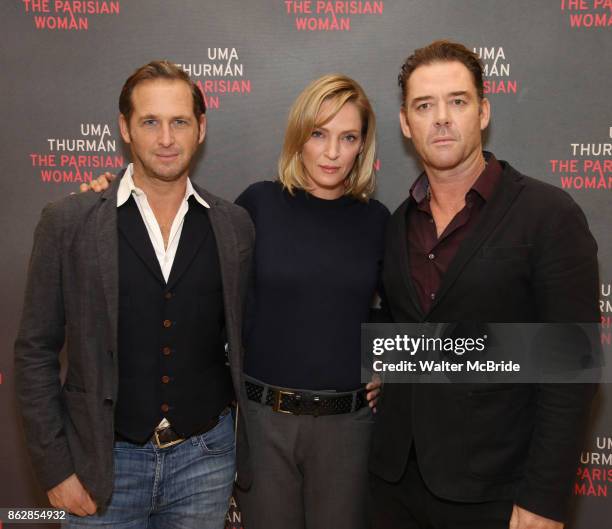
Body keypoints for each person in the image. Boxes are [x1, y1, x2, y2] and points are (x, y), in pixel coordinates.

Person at [369, 41, 599, 529]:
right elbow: (407, 328)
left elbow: (571, 370)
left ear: (483, 111)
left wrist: (543, 501)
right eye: (424, 106)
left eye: (458, 101)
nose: (442, 118)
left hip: (497, 493)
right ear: (407, 124)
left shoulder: (548, 215)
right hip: (392, 487)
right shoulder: (396, 224)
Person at [14, 60, 254, 529]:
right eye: (150, 122)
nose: (166, 138)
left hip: (205, 461)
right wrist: (55, 466)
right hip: (101, 466)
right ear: (125, 128)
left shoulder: (233, 225)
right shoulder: (69, 221)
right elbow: (34, 351)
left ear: (200, 128)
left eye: (179, 121)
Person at [232, 74, 389, 529]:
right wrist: (111, 198)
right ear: (299, 135)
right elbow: (202, 278)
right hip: (264, 423)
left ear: (363, 145)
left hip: (347, 428)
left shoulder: (378, 221)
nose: (333, 151)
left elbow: (404, 308)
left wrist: (388, 367)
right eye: (319, 134)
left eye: (348, 137)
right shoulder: (257, 205)